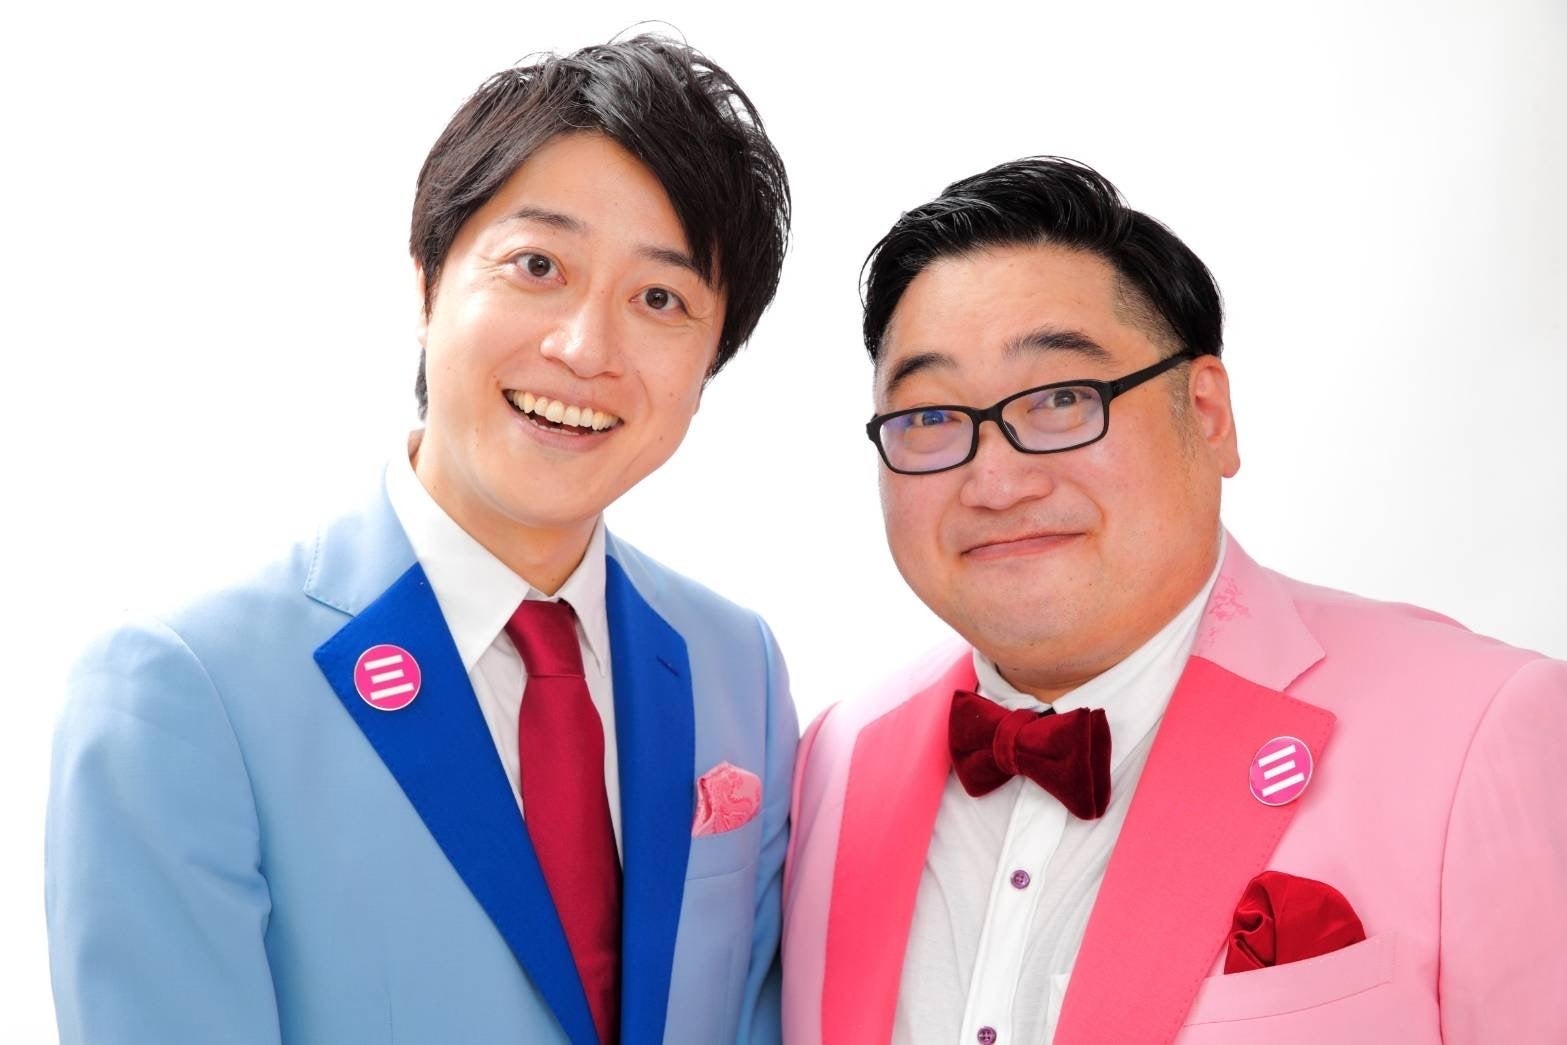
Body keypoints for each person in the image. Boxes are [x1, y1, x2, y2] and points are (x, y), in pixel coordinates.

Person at [47, 34, 796, 1045]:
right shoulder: (184, 688)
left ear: (711, 362)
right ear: (427, 286)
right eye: (538, 265)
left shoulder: (735, 666)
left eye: (659, 298)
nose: (585, 348)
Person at [781, 157, 1567, 1044]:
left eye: (1062, 398)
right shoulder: (830, 761)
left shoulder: (1483, 729)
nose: (994, 482)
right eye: (929, 416)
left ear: (1207, 413)